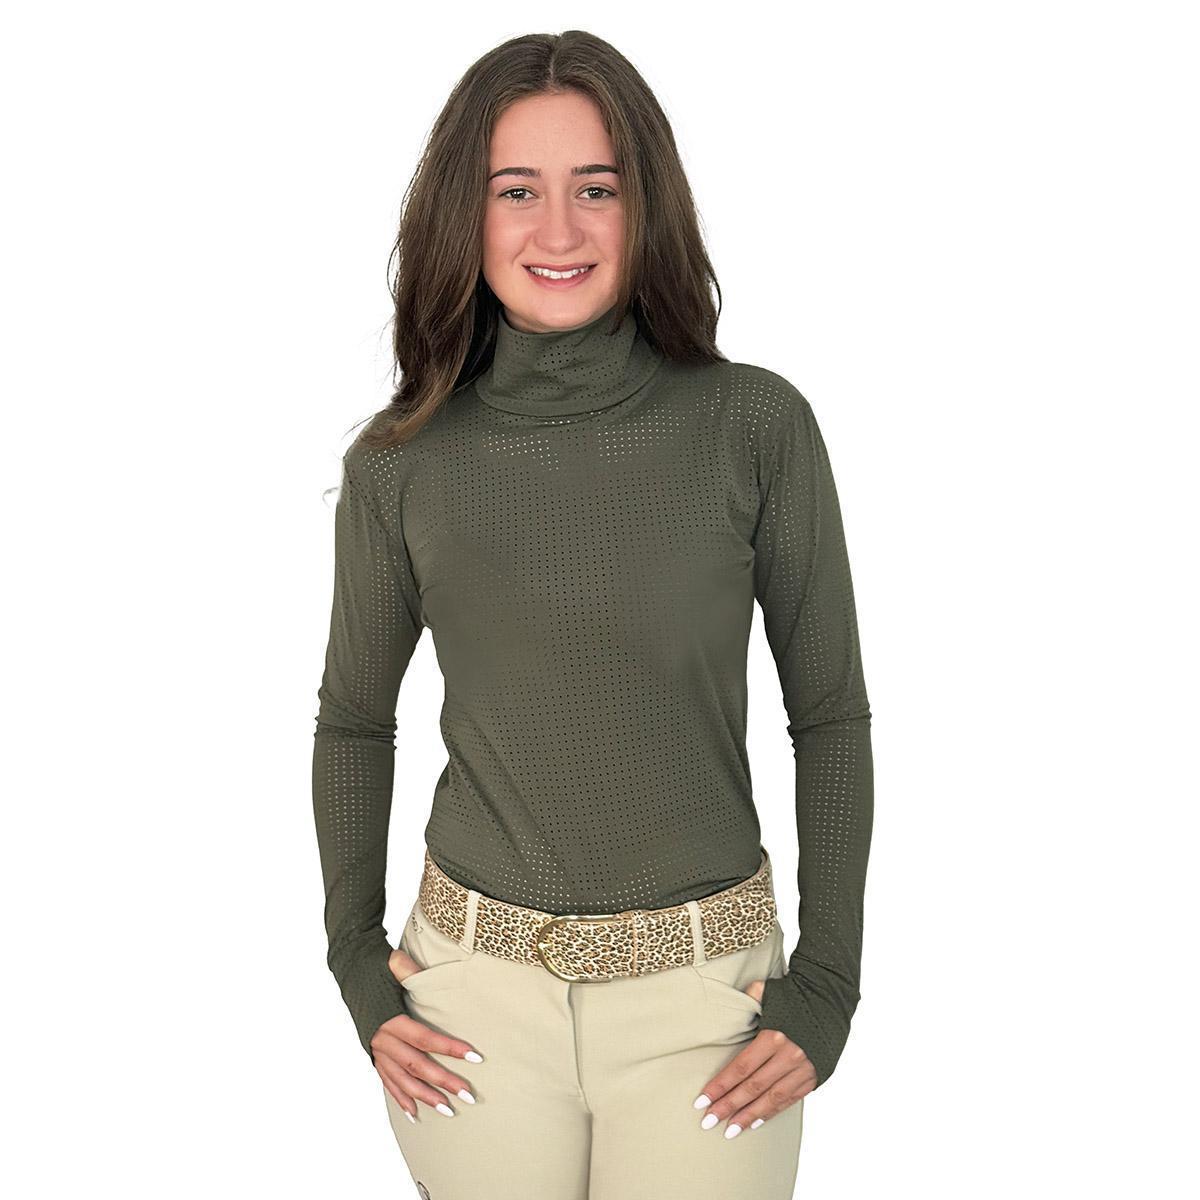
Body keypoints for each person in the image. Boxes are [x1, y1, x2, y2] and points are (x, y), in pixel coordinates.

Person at [311, 29, 874, 1200]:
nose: (558, 231)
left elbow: (828, 717)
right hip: (467, 1010)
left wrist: (828, 986)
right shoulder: (400, 464)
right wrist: (358, 968)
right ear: (466, 214)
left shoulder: (754, 426)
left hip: (710, 1009)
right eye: (517, 191)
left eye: (597, 190)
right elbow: (356, 723)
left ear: (644, 207)